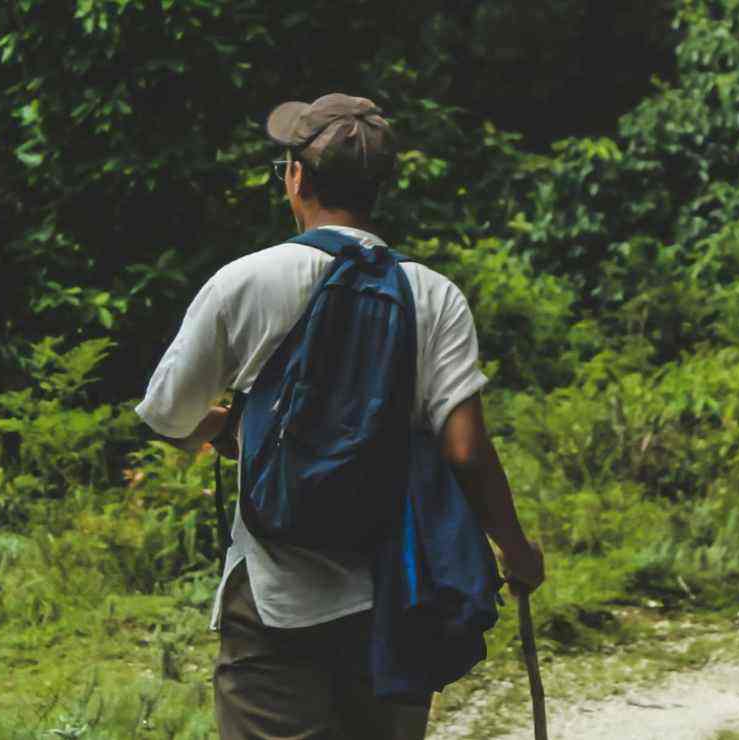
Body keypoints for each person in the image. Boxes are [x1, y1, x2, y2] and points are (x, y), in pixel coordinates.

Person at [134, 92, 545, 739]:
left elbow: (164, 416)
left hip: (273, 600)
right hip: (397, 601)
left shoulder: (246, 282)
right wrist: (518, 553)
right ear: (381, 186)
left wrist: (236, 428)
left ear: (295, 177)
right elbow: (465, 451)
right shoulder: (433, 295)